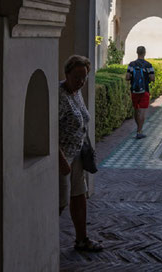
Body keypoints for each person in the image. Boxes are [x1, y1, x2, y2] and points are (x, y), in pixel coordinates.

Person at [59, 55, 103, 252]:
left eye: (84, 77)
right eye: (77, 77)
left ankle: (82, 239)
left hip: (77, 155)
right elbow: (47, 130)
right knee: (59, 203)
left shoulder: (77, 93)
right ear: (66, 74)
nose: (81, 81)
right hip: (62, 159)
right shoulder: (58, 95)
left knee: (79, 196)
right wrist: (62, 161)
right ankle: (44, 246)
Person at [126, 46, 155, 139]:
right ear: (145, 53)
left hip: (134, 90)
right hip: (145, 90)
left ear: (137, 52)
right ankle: (139, 131)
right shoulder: (148, 65)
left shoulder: (131, 64)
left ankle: (138, 129)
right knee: (142, 111)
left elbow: (127, 77)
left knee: (136, 110)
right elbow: (152, 78)